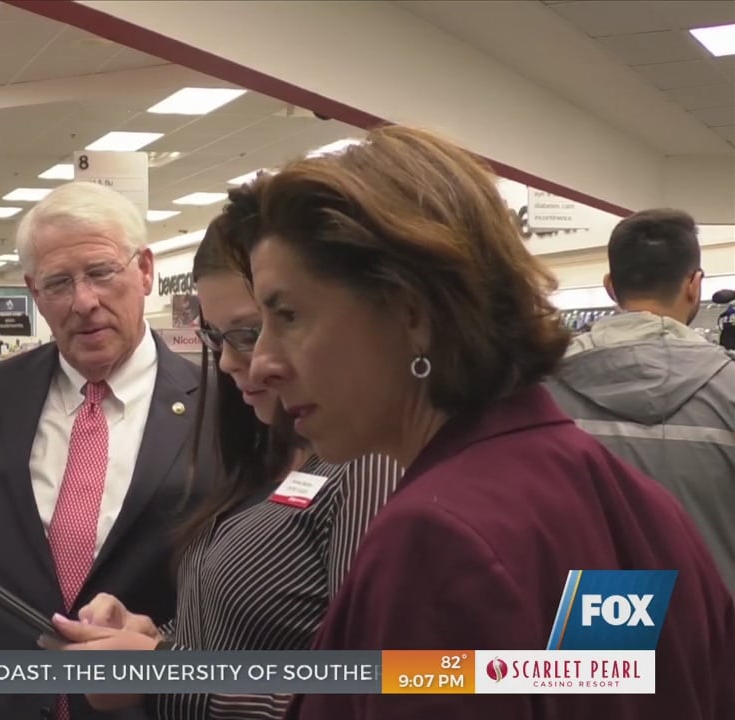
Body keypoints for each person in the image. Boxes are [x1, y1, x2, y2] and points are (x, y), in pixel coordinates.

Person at [239, 126, 733, 719]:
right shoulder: (623, 500)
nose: (262, 363)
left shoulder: (438, 543)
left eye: (288, 315)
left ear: (411, 312)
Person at [46, 185, 403, 719]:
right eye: (218, 338)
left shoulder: (368, 465)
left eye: (252, 331)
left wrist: (165, 674)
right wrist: (151, 640)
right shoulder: (267, 450)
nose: (241, 363)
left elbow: (365, 695)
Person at [0, 181, 212, 720]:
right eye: (59, 282)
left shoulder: (225, 409)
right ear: (34, 293)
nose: (84, 301)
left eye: (102, 272)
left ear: (146, 271)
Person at [547, 209, 735, 594]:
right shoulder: (729, 389)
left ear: (611, 286)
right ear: (694, 284)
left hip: (595, 637)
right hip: (713, 632)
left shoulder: (539, 393)